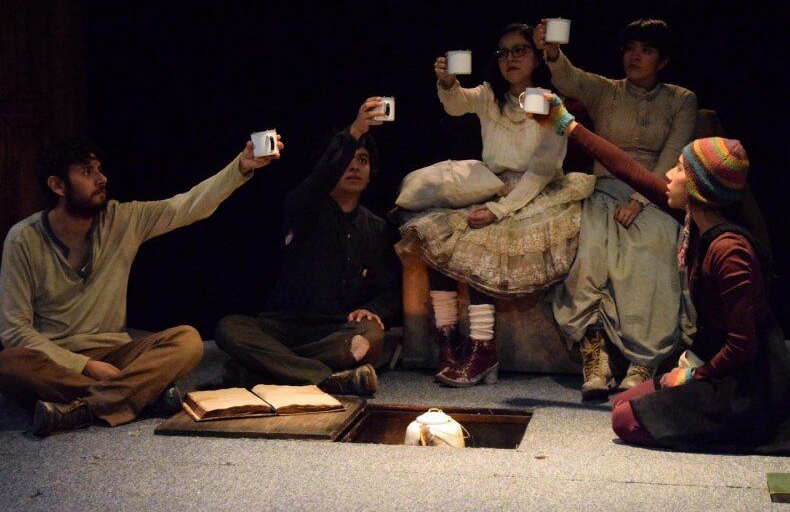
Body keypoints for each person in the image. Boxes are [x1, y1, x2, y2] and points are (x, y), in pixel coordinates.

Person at [531, 95, 790, 455]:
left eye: (679, 169)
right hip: (713, 362)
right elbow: (630, 170)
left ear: (699, 187)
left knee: (625, 420)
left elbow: (743, 347)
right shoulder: (698, 221)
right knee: (624, 402)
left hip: (744, 384)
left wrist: (692, 375)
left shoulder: (730, 251)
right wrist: (567, 125)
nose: (669, 175)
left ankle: (734, 429)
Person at [0, 135, 282, 436]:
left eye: (99, 169)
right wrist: (84, 365)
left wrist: (241, 166)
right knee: (9, 363)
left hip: (116, 352)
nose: (102, 178)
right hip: (57, 358)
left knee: (187, 340)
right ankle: (141, 394)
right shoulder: (24, 239)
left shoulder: (121, 219)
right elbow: (15, 330)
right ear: (58, 186)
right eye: (87, 172)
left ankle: (83, 408)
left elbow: (187, 205)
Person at [397, 23, 594, 387]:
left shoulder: (548, 102)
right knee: (434, 233)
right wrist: (447, 83)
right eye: (503, 52)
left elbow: (541, 170)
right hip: (493, 186)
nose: (510, 59)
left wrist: (500, 210)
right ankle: (449, 342)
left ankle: (482, 349)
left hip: (537, 192)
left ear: (536, 58)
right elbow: (458, 104)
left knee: (482, 240)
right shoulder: (491, 95)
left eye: (519, 50)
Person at [534, 18, 698, 399]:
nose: (635, 56)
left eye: (646, 50)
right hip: (605, 189)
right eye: (630, 49)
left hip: (657, 194)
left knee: (655, 246)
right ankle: (596, 355)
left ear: (662, 61)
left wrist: (640, 201)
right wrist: (553, 54)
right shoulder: (606, 90)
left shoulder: (682, 100)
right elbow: (572, 80)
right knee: (590, 249)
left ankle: (644, 359)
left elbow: (673, 155)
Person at [215, 98, 400, 396]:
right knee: (229, 328)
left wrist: (373, 309)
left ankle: (263, 369)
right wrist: (354, 132)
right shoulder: (304, 204)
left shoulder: (375, 227)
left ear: (371, 172)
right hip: (283, 327)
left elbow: (389, 287)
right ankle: (324, 378)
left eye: (363, 160)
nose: (354, 166)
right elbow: (321, 178)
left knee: (371, 337)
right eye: (348, 159)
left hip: (333, 331)